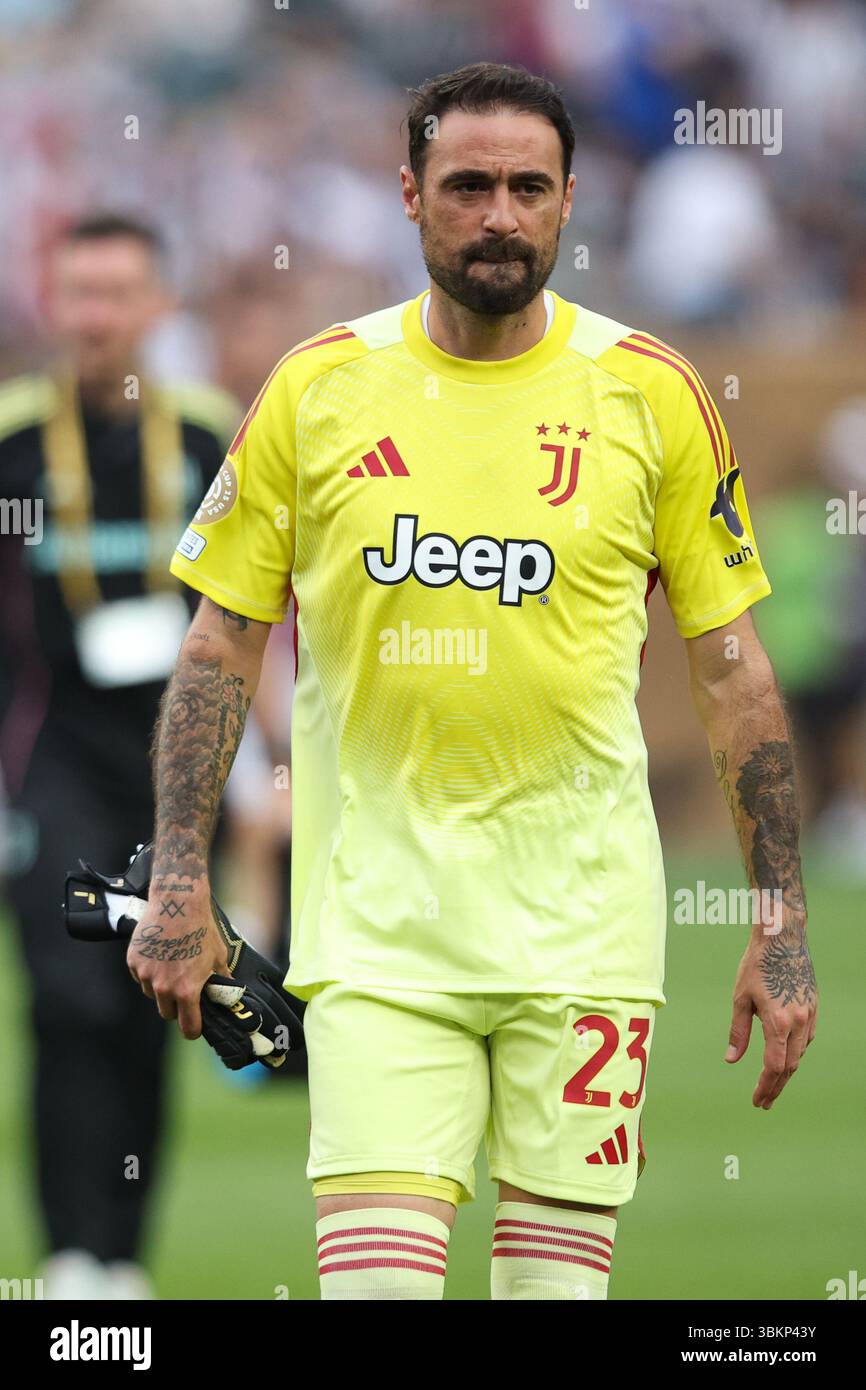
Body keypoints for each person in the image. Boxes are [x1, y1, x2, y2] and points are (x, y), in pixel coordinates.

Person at [127, 63, 818, 1301]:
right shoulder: (317, 387)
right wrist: (180, 872)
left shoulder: (651, 395)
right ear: (408, 196)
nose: (498, 213)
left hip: (585, 940)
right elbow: (217, 644)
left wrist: (780, 923)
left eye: (526, 188)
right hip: (379, 938)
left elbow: (731, 675)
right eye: (467, 186)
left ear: (565, 206)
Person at [0, 213, 238, 1298]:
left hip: (177, 773)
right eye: (78, 293)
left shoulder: (208, 437)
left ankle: (124, 1260)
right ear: (55, 303)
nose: (95, 317)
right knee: (66, 998)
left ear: (158, 307)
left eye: (117, 294)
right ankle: (69, 1253)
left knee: (154, 996)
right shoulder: (10, 440)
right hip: (44, 757)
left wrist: (270, 770)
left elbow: (255, 616)